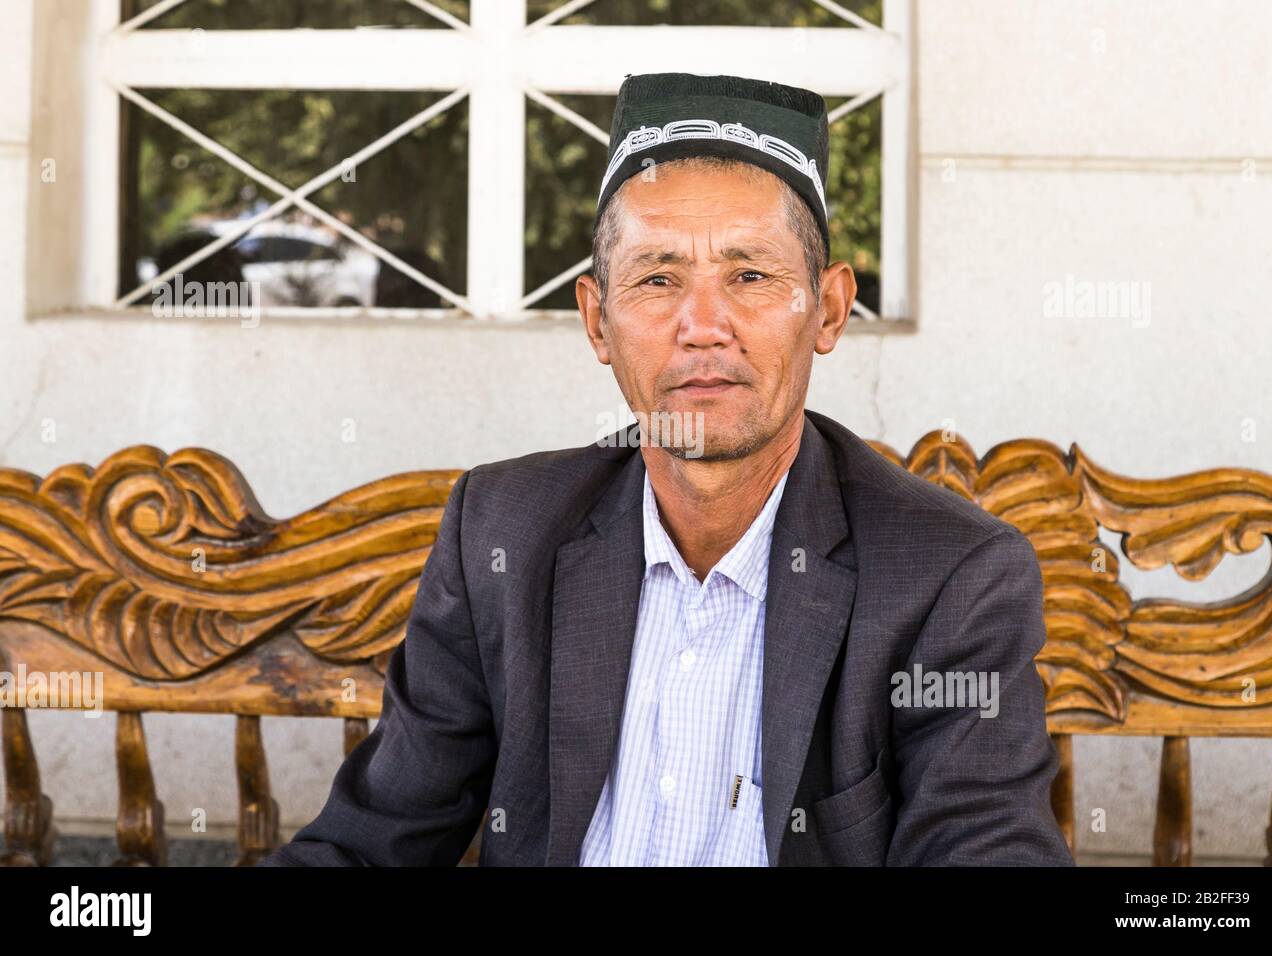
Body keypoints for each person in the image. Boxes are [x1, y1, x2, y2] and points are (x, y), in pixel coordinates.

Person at [259, 72, 1073, 867]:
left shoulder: (949, 575)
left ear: (826, 310)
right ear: (597, 320)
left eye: (750, 275)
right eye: (658, 279)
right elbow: (378, 836)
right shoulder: (502, 532)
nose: (703, 325)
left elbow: (983, 842)